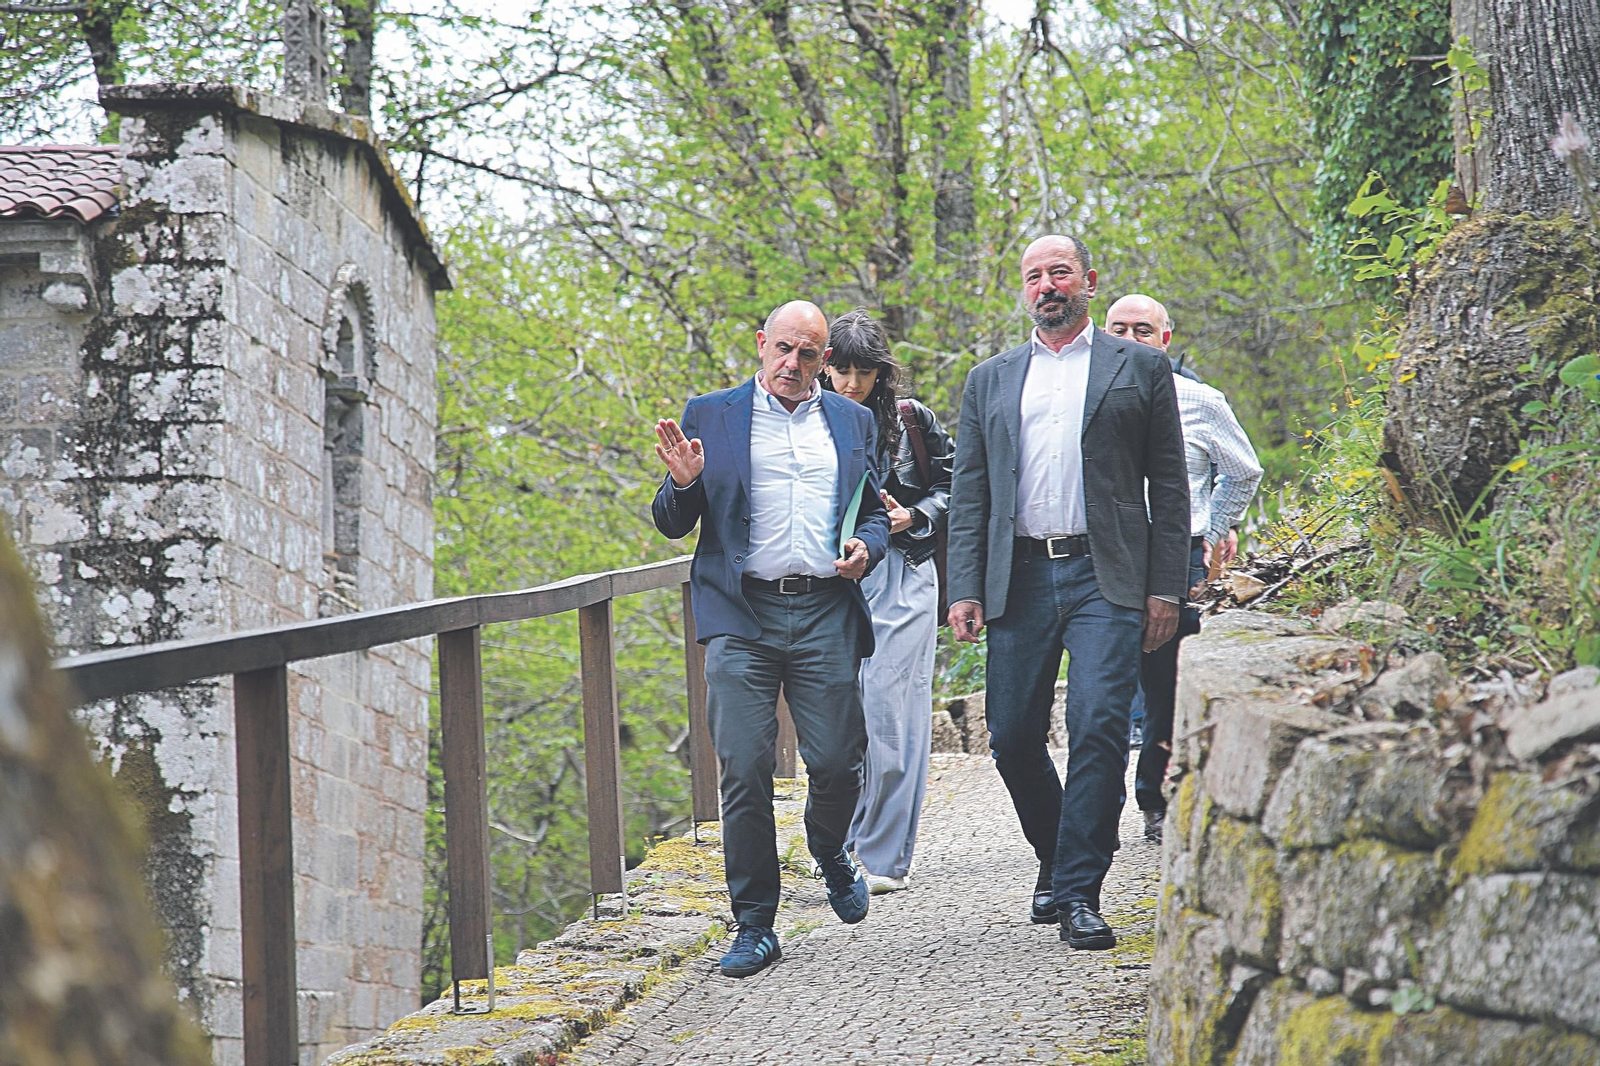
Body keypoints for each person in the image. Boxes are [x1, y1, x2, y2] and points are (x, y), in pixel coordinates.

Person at [945, 235, 1190, 951]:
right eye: (1034, 277)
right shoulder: (989, 379)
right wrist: (964, 587)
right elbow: (970, 493)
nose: (1047, 285)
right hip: (1016, 576)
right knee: (1013, 735)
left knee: (1098, 728)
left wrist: (1165, 588)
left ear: (1087, 280)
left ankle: (1080, 889)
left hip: (1106, 575)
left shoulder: (1140, 367)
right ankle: (1055, 855)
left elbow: (1169, 487)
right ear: (1023, 290)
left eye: (1060, 273)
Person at [651, 300, 892, 979]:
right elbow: (673, 522)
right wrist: (682, 482)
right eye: (782, 348)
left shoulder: (851, 420)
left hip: (823, 610)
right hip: (741, 614)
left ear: (824, 360)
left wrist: (864, 548)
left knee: (840, 760)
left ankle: (830, 848)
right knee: (745, 769)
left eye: (807, 354)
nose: (792, 364)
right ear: (762, 345)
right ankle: (755, 924)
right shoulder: (712, 413)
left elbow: (872, 510)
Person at [1104, 293, 1262, 844]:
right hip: (1105, 554)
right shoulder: (1081, 399)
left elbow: (1243, 471)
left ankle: (1155, 798)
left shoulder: (1200, 401)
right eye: (1118, 328)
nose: (1129, 340)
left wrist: (1213, 533)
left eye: (1142, 330)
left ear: (1165, 340)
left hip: (1179, 553)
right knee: (1104, 683)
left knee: (1165, 683)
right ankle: (1098, 809)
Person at [821, 309, 954, 895]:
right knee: (838, 718)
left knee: (891, 712)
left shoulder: (910, 421)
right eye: (841, 369)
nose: (851, 383)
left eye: (863, 371)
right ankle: (841, 847)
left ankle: (882, 856)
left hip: (903, 574)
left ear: (882, 372)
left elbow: (958, 485)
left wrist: (915, 515)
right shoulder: (805, 421)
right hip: (832, 582)